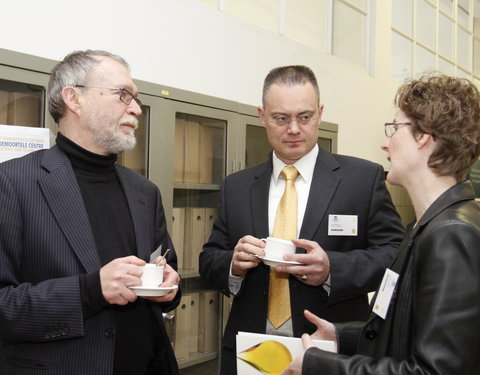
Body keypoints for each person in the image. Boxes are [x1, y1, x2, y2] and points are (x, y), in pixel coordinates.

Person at [199, 65, 405, 374]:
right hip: (251, 349)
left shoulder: (362, 180)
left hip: (328, 347)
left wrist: (333, 269)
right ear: (262, 116)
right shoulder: (237, 186)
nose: (294, 129)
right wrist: (233, 263)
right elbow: (209, 259)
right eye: (281, 118)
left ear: (320, 113)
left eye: (305, 117)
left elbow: (395, 255)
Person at [283, 75, 480, 375]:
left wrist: (319, 364)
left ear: (424, 135)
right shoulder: (424, 227)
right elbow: (406, 332)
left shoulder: (452, 235)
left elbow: (433, 371)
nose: (385, 143)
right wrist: (342, 336)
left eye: (395, 128)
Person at [0, 50, 181, 374]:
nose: (137, 109)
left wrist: (168, 287)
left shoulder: (144, 191)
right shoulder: (13, 183)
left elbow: (168, 271)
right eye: (123, 95)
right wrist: (91, 290)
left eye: (136, 98)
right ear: (74, 99)